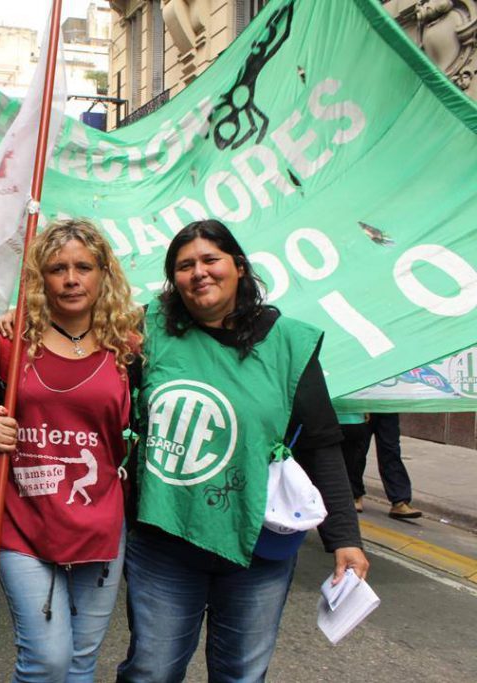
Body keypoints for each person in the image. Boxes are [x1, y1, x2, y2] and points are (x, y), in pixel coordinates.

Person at [115, 220, 369, 682]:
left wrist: (345, 538)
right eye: (185, 266)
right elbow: (78, 340)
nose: (199, 273)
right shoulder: (146, 330)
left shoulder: (289, 342)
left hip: (258, 546)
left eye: (210, 260)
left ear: (239, 266)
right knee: (151, 671)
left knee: (241, 675)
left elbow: (320, 446)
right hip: (163, 541)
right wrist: (17, 322)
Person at [0, 219, 142, 682]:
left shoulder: (128, 350)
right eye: (57, 268)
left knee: (80, 663)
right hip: (21, 518)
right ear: (39, 278)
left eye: (83, 267)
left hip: (99, 523)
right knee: (47, 658)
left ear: (104, 274)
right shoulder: (7, 343)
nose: (71, 279)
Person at [344, 413, 422, 519]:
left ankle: (399, 501)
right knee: (357, 451)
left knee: (390, 451)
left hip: (386, 405)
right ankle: (354, 495)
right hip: (363, 403)